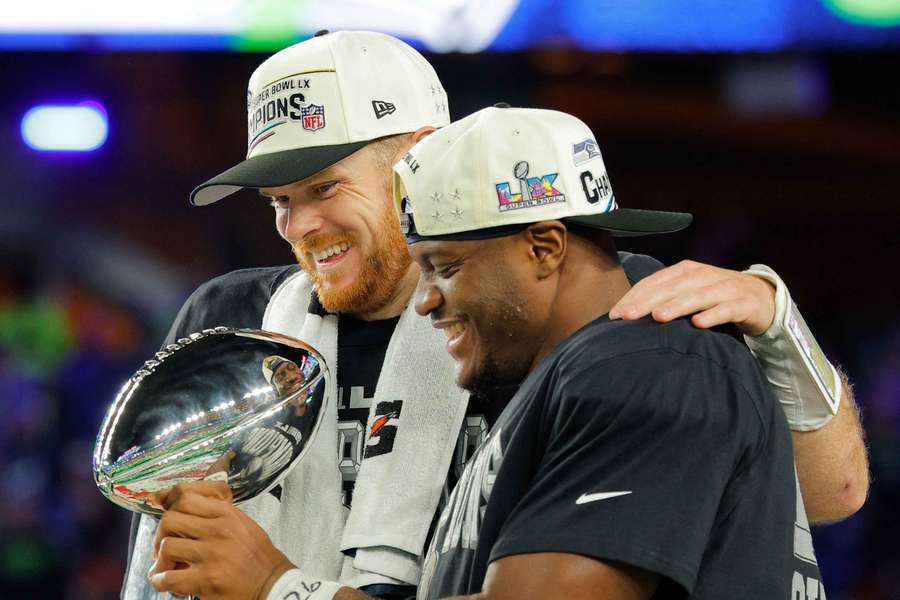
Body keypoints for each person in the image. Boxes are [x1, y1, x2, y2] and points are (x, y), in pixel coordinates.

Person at [133, 32, 867, 600]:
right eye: (278, 203)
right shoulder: (234, 318)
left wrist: (780, 331)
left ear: (419, 157)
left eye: (323, 187)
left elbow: (830, 496)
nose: (298, 226)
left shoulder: (614, 312)